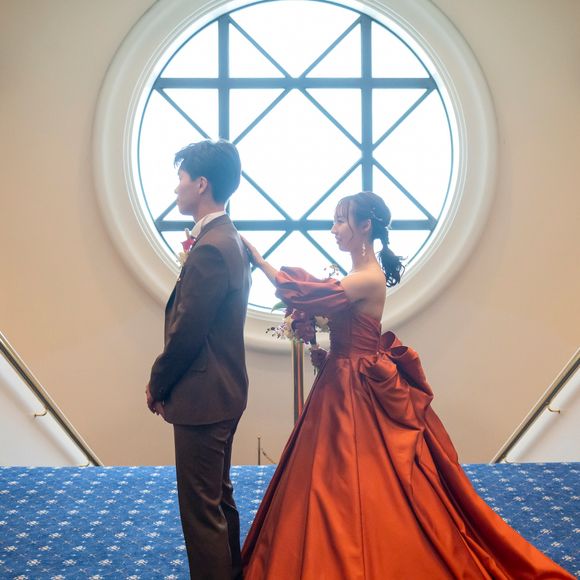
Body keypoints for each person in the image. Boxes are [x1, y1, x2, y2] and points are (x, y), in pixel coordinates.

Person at [240, 191, 573, 579]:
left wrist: (260, 261)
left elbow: (309, 294)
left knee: (360, 473)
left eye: (341, 221)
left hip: (354, 385)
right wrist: (328, 354)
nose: (333, 229)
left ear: (365, 226)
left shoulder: (368, 278)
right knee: (329, 471)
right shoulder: (358, 276)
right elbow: (337, 315)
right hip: (341, 376)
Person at [146, 139, 251, 580]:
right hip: (225, 389)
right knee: (218, 498)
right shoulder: (227, 238)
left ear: (202, 184)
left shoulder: (211, 247)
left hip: (204, 395)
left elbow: (188, 330)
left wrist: (158, 383)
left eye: (181, 178)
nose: (177, 188)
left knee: (200, 510)